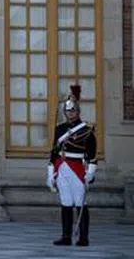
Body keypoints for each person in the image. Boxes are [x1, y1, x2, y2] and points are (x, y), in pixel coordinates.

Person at [47, 84, 97, 247]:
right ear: (65, 112)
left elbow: (93, 155)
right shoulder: (60, 129)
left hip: (77, 168)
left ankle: (83, 237)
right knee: (66, 201)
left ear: (78, 111)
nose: (71, 113)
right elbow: (54, 152)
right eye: (68, 111)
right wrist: (50, 174)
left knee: (80, 202)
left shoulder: (87, 130)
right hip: (62, 167)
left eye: (73, 110)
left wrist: (90, 172)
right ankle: (66, 236)